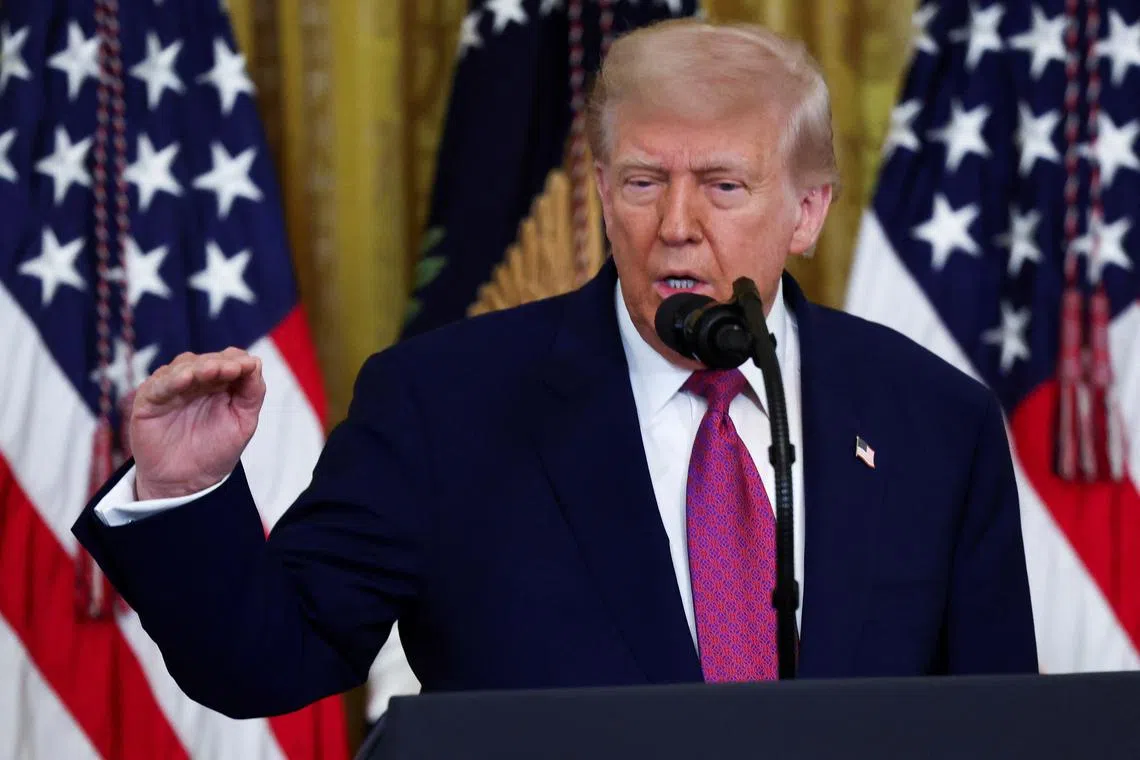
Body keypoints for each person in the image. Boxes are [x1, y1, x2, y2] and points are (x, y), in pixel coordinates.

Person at [73, 19, 1038, 719]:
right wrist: (183, 492)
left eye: (723, 186)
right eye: (644, 182)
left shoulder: (933, 421)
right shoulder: (442, 404)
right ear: (604, 193)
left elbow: (1000, 727)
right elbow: (266, 664)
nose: (676, 226)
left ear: (807, 212)